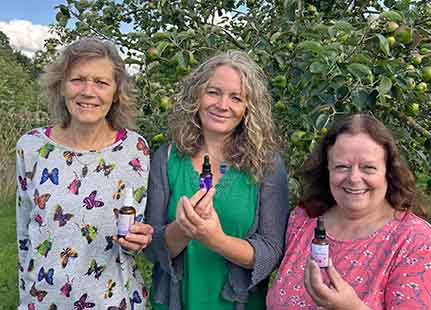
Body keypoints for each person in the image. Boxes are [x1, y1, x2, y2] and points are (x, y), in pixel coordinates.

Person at [144, 50, 290, 310]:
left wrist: (215, 240)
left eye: (236, 97)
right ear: (196, 96)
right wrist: (183, 228)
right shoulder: (166, 158)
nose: (222, 105)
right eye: (213, 92)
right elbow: (152, 248)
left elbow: (270, 252)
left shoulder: (267, 165)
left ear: (248, 108)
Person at [15, 38, 153, 309]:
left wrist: (137, 240)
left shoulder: (135, 149)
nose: (88, 91)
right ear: (61, 86)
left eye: (101, 82)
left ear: (116, 92)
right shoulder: (31, 147)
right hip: (45, 301)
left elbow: (132, 234)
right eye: (77, 79)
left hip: (115, 301)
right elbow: (24, 237)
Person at [266, 113, 431, 309]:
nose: (354, 178)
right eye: (342, 166)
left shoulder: (417, 243)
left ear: (387, 171)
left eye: (368, 168)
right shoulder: (304, 220)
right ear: (327, 169)